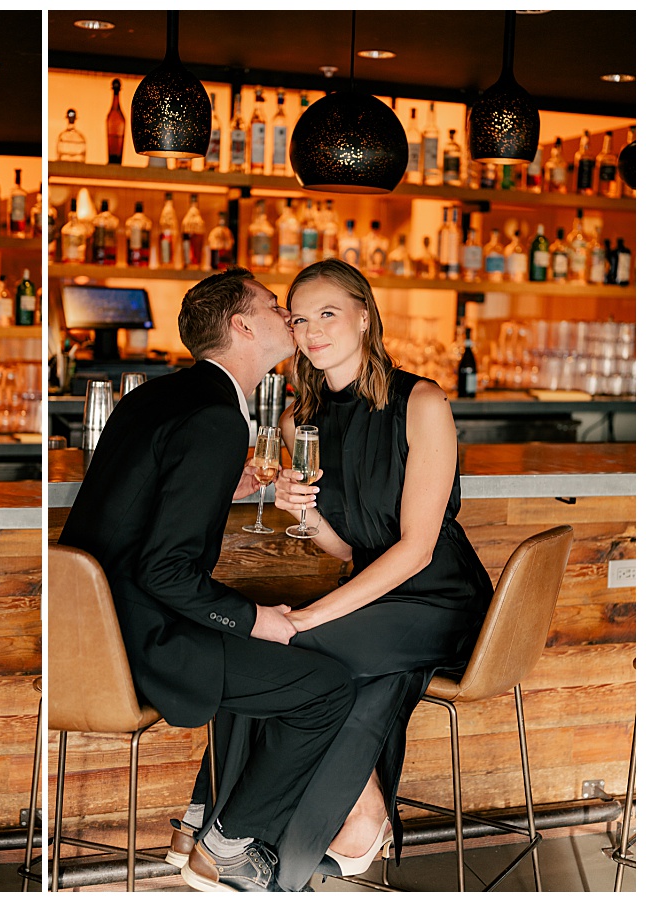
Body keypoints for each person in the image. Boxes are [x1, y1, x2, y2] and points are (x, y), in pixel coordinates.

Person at [58, 268, 356, 892]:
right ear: (243, 326)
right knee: (325, 687)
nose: (290, 318)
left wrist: (225, 487)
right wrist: (252, 618)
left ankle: (195, 825)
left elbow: (134, 515)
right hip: (143, 642)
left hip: (93, 633)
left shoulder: (157, 397)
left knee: (263, 660)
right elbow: (164, 569)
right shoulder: (218, 418)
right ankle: (229, 845)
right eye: (277, 308)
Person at [224, 258, 494, 891]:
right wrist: (306, 515)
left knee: (284, 649)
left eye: (328, 313)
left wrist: (312, 616)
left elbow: (418, 548)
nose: (312, 330)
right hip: (372, 596)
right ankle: (356, 821)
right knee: (340, 676)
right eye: (299, 318)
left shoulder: (421, 400)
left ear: (364, 317)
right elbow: (347, 550)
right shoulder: (299, 423)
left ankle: (228, 835)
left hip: (435, 596)